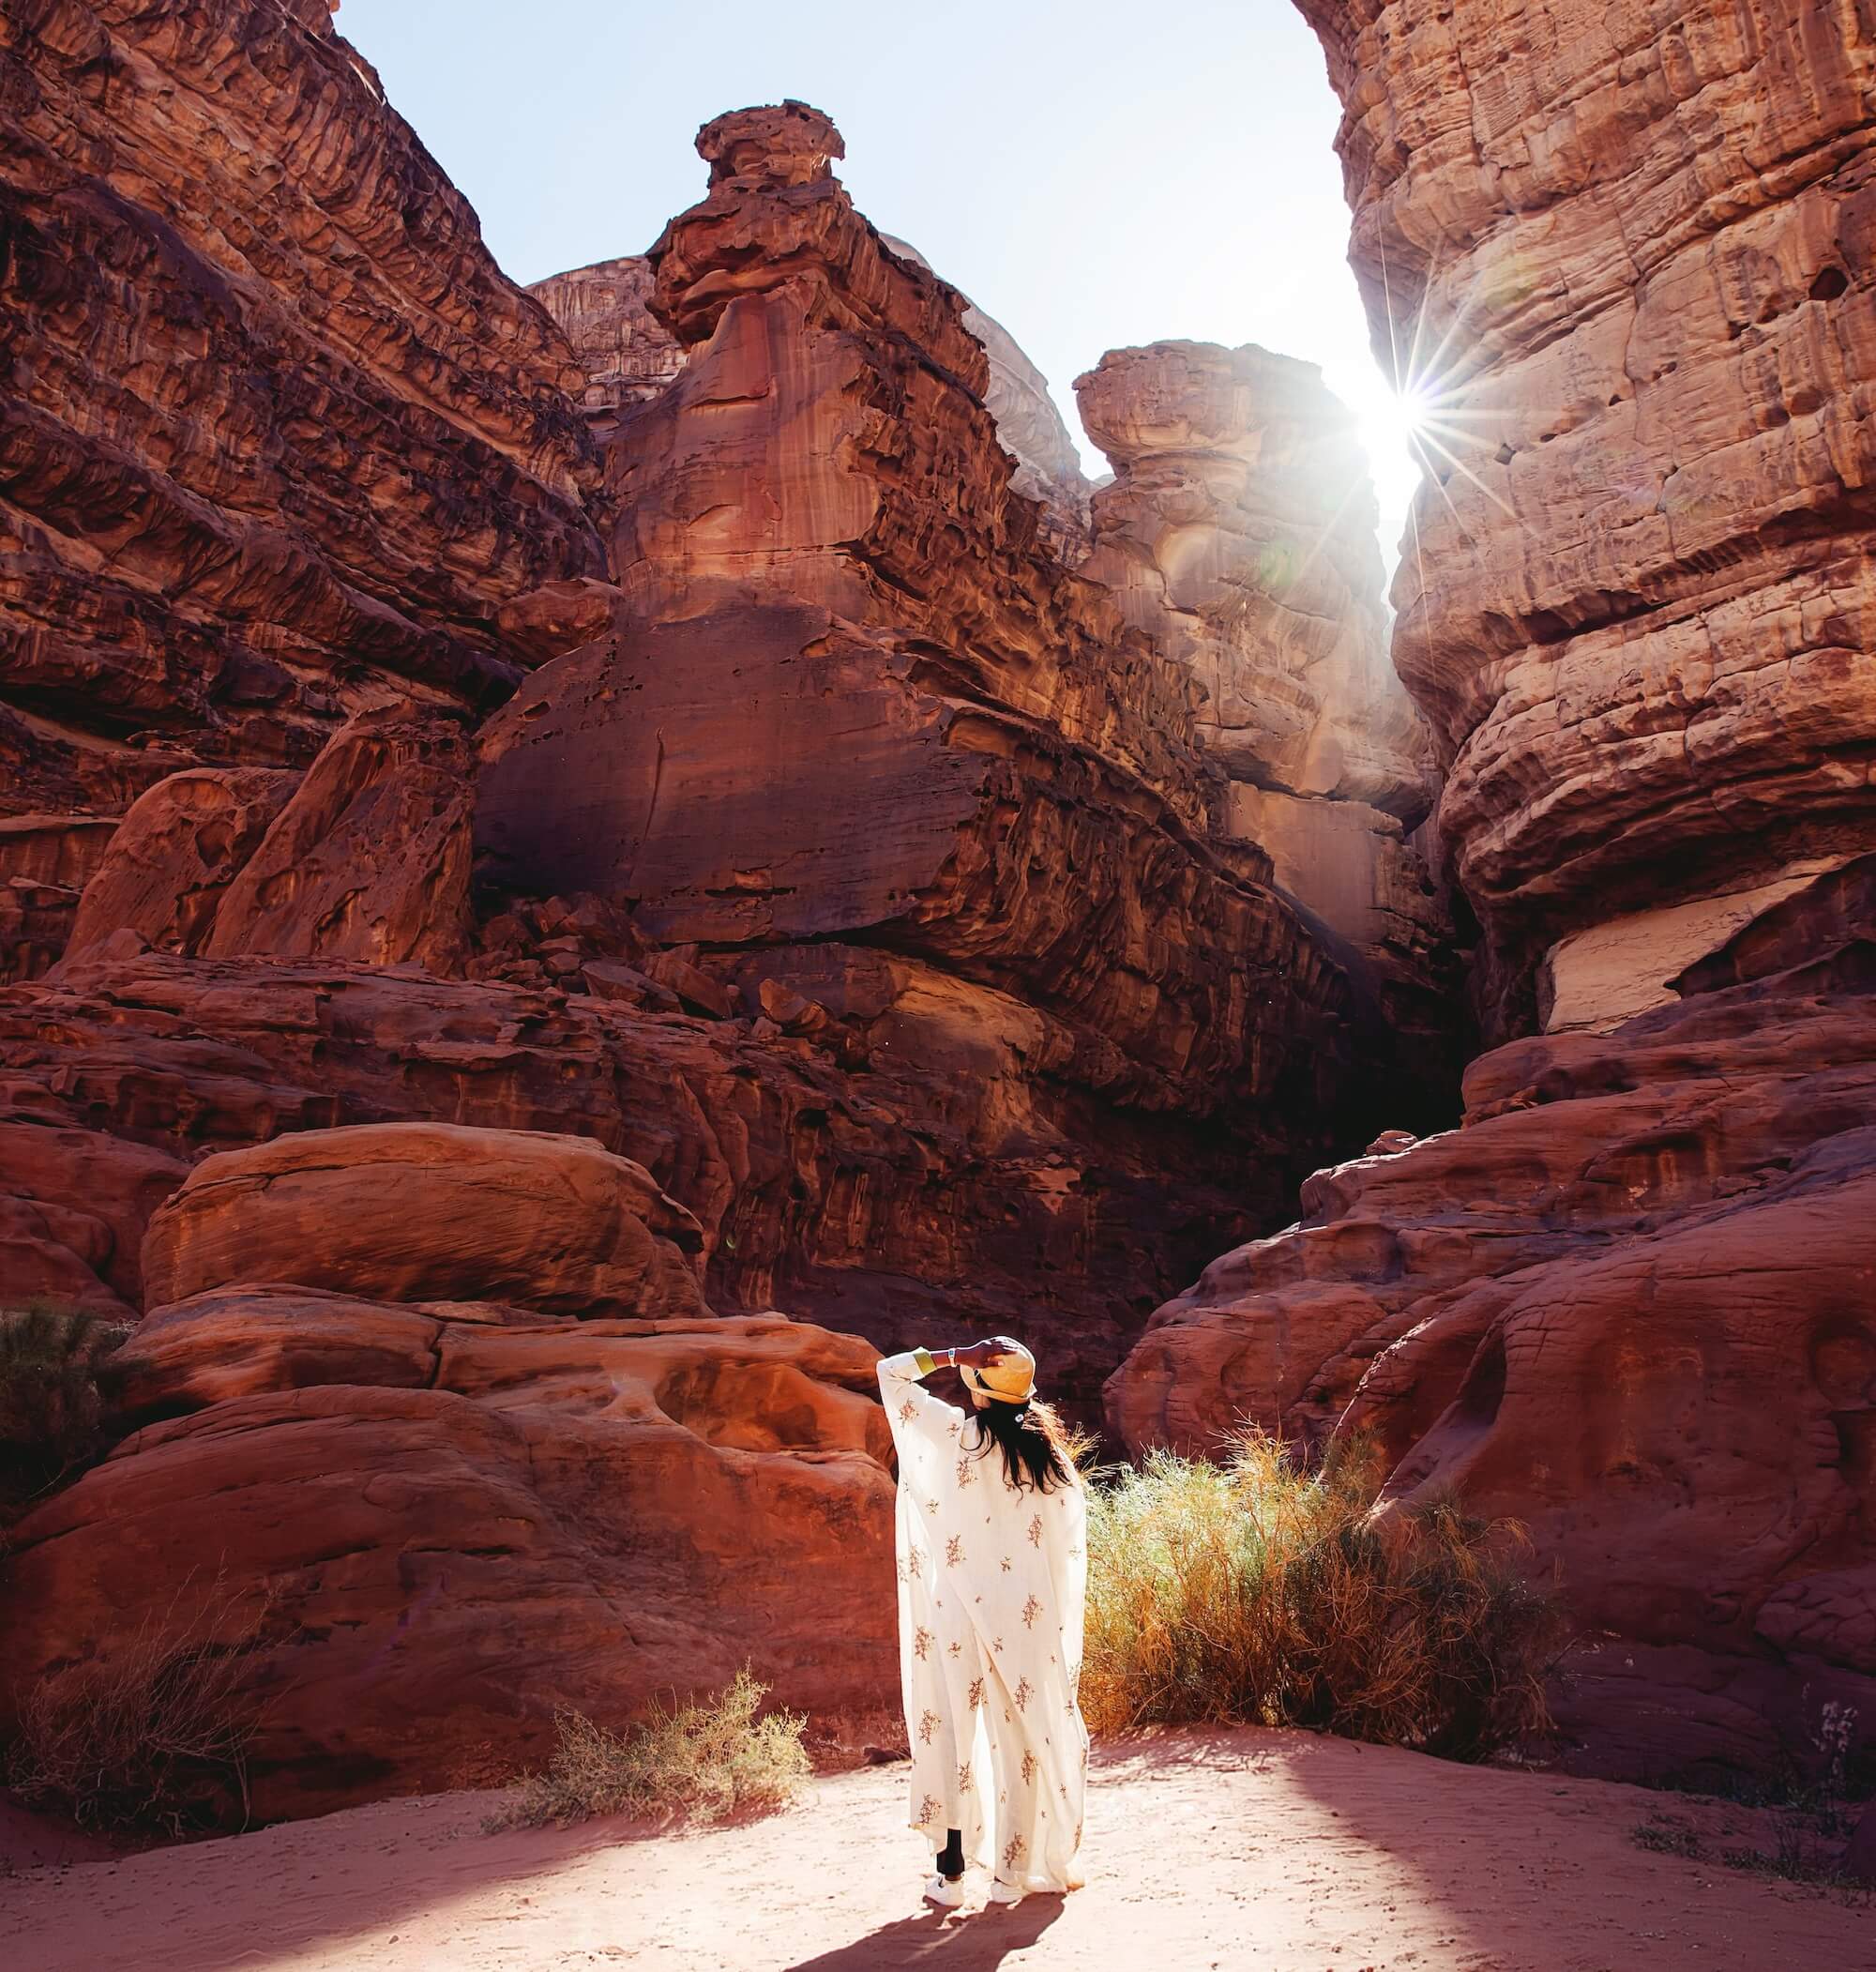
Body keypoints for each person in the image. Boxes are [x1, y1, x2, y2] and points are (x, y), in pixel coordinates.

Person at [876, 1335, 1089, 1910]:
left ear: (975, 1382)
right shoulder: (1050, 1460)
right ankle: (1011, 1876)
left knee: (948, 1730)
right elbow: (1064, 1552)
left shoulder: (956, 1436)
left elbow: (889, 1374)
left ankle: (948, 1877)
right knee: (1020, 1738)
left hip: (955, 1614)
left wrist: (950, 1354)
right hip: (1023, 1618)